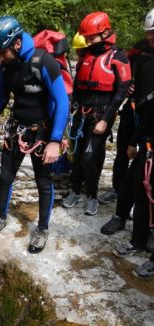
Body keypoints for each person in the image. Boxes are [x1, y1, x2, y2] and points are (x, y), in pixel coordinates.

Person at [0, 16, 69, 253]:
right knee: (5, 177)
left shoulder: (44, 62)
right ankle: (0, 218)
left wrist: (54, 140)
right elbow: (1, 98)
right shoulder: (7, 66)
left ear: (17, 44)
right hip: (17, 129)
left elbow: (62, 102)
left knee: (43, 182)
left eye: (1, 52)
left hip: (42, 132)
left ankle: (42, 229)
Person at [62, 12, 131, 216]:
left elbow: (120, 92)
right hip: (81, 113)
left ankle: (92, 195)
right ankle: (75, 190)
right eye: (87, 38)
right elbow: (78, 85)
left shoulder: (118, 57)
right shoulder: (87, 54)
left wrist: (106, 119)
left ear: (106, 32)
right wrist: (72, 107)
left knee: (91, 156)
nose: (88, 41)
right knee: (76, 154)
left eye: (92, 38)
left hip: (101, 115)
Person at [101, 8, 154, 235]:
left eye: (153, 33)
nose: (149, 37)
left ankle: (137, 219)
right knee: (125, 156)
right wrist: (128, 83)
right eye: (148, 32)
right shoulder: (141, 48)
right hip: (135, 111)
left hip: (150, 119)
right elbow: (125, 65)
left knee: (140, 171)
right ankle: (120, 209)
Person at [112, 8, 154, 279]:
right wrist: (137, 140)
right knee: (139, 187)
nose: (149, 39)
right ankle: (138, 239)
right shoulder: (144, 54)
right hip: (149, 136)